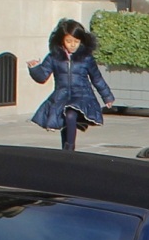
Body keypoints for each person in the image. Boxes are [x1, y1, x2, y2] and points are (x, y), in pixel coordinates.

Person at [28, 18, 113, 151]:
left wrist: (107, 96)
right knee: (64, 122)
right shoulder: (54, 57)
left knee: (71, 114)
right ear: (61, 40)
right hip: (61, 95)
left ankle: (70, 148)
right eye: (69, 41)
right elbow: (42, 76)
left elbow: (96, 78)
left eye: (76, 41)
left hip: (82, 95)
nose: (72, 45)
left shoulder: (86, 58)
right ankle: (65, 149)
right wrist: (34, 68)